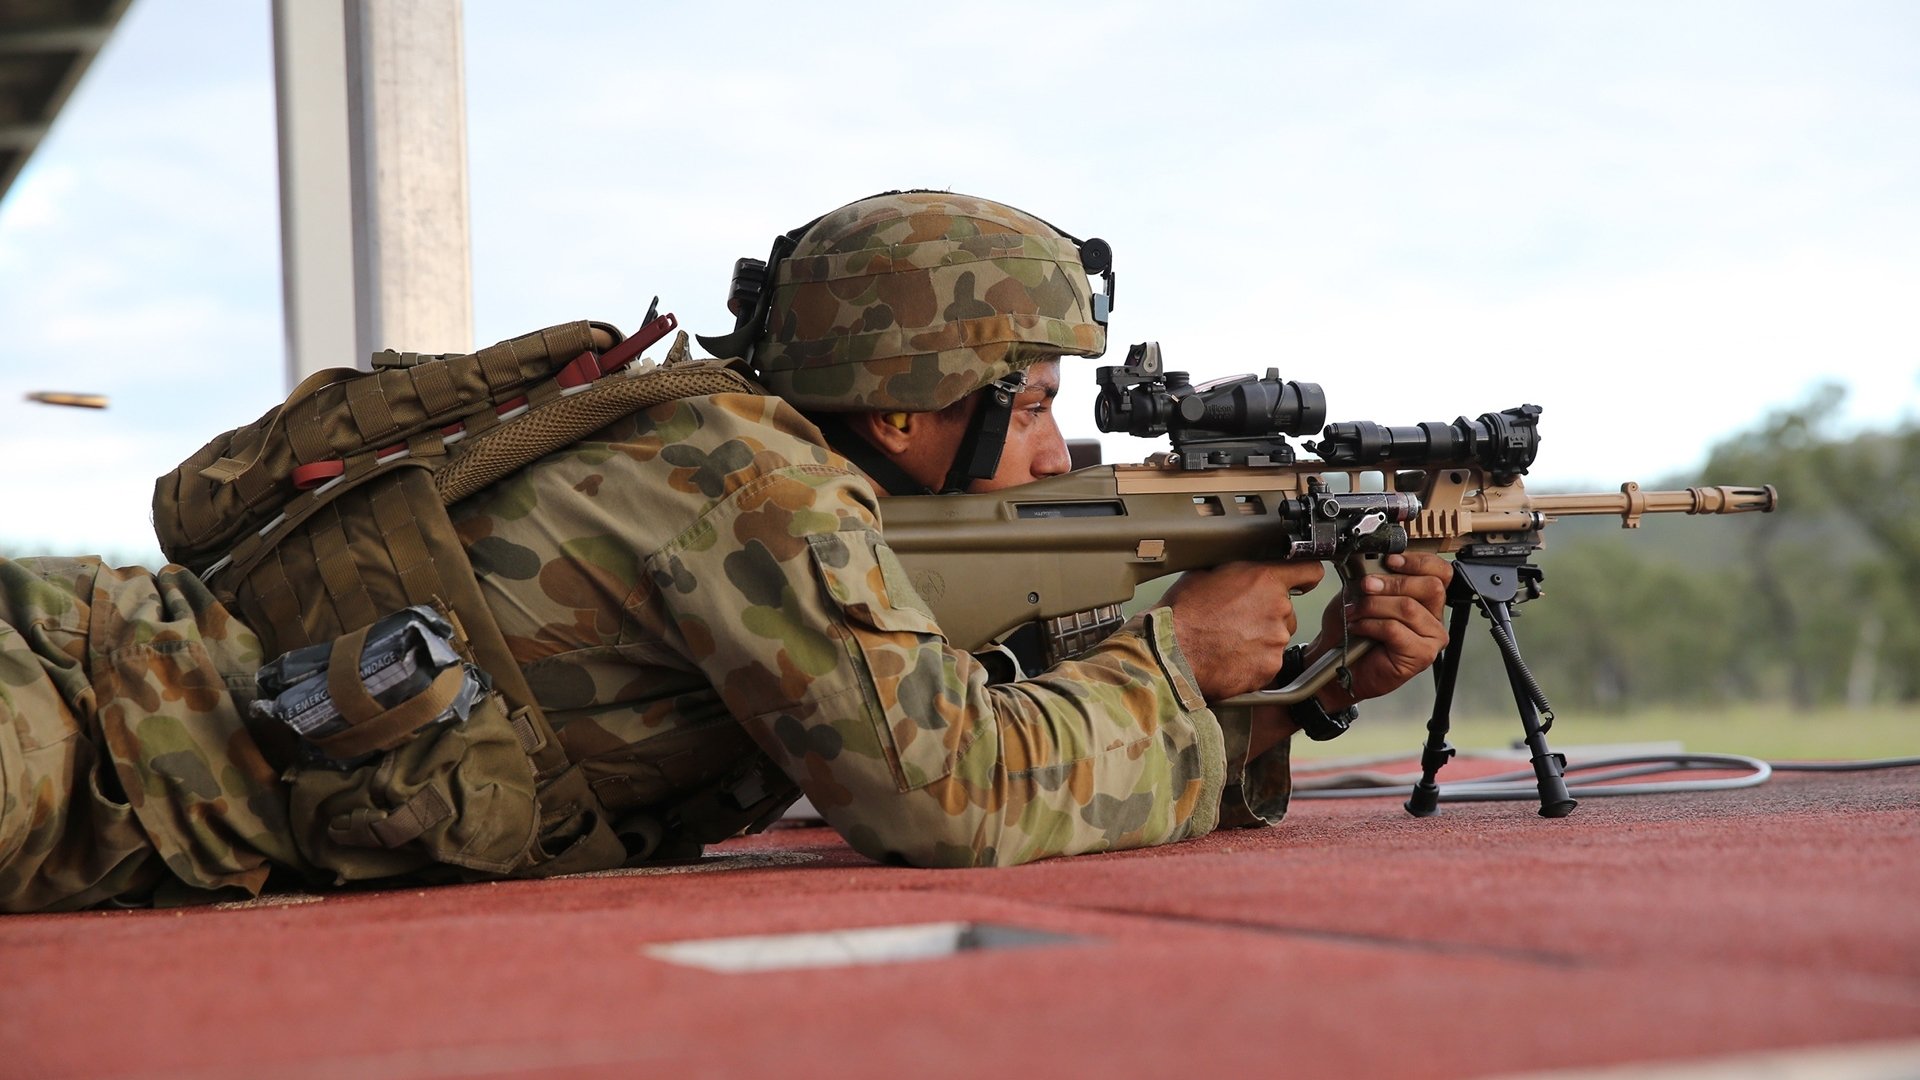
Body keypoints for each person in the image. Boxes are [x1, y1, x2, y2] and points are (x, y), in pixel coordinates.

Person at [0, 190, 1449, 912]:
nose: (1052, 455)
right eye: (1033, 403)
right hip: (73, 725)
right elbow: (943, 797)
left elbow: (935, 724)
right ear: (901, 406)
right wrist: (1181, 664)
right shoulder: (758, 494)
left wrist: (1289, 693)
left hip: (118, 724)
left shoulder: (755, 453)